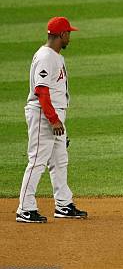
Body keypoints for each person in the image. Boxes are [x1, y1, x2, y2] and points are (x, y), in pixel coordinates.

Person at [16, 17, 88, 223]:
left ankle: (63, 204)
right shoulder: (46, 57)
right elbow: (42, 91)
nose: (70, 38)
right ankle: (25, 208)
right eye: (69, 34)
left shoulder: (55, 56)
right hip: (44, 115)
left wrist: (59, 121)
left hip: (54, 117)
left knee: (59, 160)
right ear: (62, 35)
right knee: (37, 160)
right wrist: (54, 119)